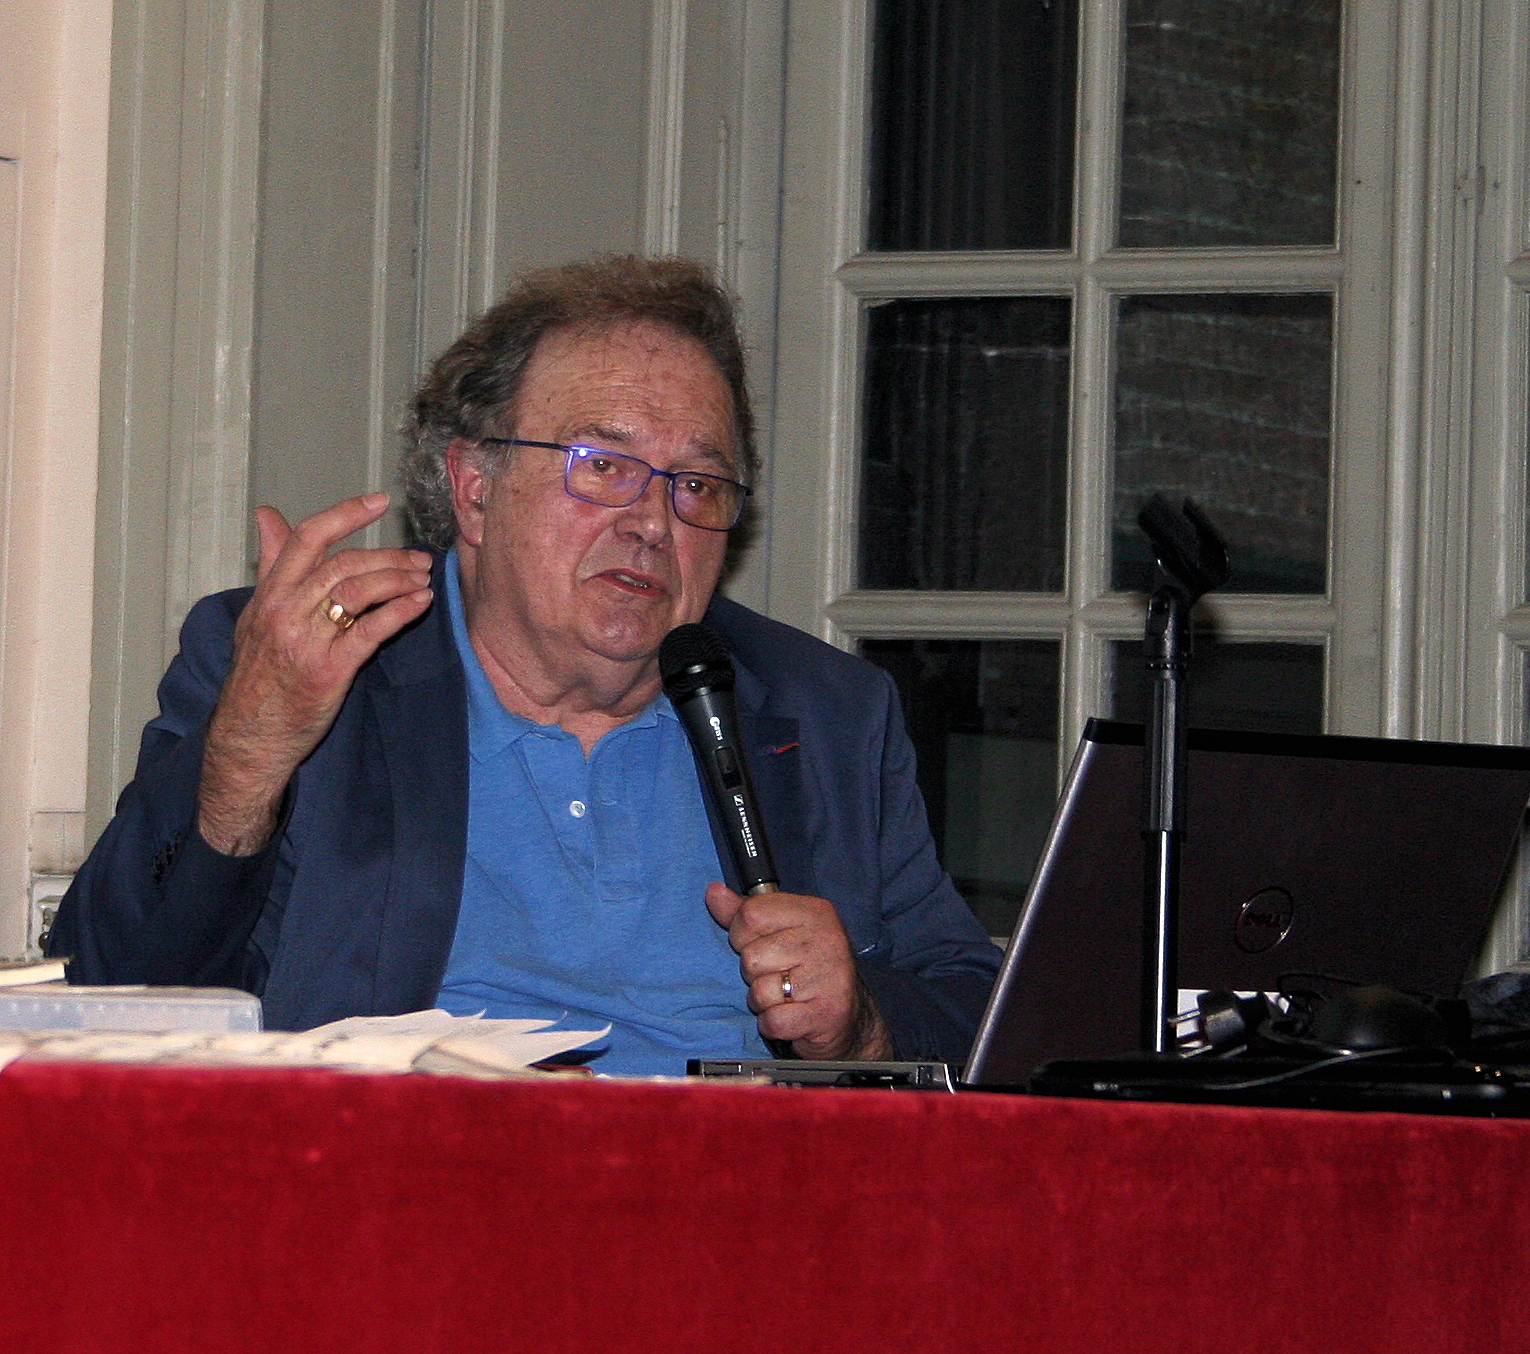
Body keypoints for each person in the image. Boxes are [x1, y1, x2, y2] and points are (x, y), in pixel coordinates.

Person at [52, 255, 1001, 1073]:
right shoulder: (316, 665)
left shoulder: (824, 710)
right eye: (603, 466)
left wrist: (862, 1022)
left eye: (697, 484)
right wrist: (246, 758)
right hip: (406, 1187)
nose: (651, 521)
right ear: (474, 490)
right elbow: (113, 991)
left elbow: (987, 1019)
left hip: (739, 1193)